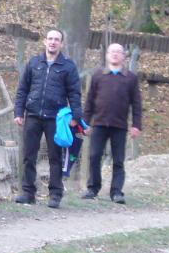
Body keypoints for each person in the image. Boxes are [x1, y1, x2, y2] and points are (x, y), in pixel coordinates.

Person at [13, 29, 82, 208]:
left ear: (61, 44)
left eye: (56, 39)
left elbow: (74, 93)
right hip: (33, 115)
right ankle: (28, 193)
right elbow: (22, 89)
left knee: (55, 157)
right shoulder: (34, 63)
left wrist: (76, 116)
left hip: (55, 118)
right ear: (45, 41)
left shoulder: (68, 66)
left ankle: (55, 195)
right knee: (29, 156)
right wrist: (18, 112)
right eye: (50, 39)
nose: (53, 42)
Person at [82, 43, 142, 204]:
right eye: (112, 52)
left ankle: (116, 192)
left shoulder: (130, 78)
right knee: (94, 156)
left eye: (118, 52)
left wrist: (136, 125)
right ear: (107, 55)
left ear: (123, 56)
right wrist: (85, 123)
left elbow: (136, 104)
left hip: (119, 126)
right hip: (99, 124)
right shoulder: (98, 75)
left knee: (118, 160)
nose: (115, 54)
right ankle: (92, 188)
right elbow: (89, 101)